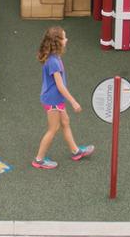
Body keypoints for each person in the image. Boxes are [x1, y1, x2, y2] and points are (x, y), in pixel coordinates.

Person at [32, 27, 94, 170]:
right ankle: (39, 160)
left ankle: (76, 151)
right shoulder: (54, 61)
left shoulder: (54, 57)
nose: (67, 40)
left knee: (65, 122)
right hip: (53, 101)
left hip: (55, 99)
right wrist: (73, 102)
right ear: (57, 42)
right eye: (64, 38)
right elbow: (60, 86)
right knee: (53, 129)